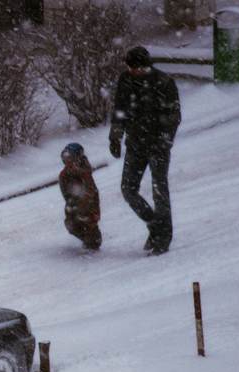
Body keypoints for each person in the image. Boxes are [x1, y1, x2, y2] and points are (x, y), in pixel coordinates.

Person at [109, 46, 181, 255]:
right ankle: (154, 225)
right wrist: (115, 136)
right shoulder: (126, 80)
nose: (134, 72)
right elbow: (119, 109)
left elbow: (174, 116)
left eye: (137, 68)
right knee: (128, 189)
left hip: (158, 145)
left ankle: (163, 237)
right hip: (135, 143)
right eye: (131, 68)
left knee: (160, 189)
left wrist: (165, 141)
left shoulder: (164, 83)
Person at [57, 143, 102, 251]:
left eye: (70, 158)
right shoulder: (64, 175)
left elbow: (91, 192)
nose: (67, 161)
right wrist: (71, 203)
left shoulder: (84, 173)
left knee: (86, 220)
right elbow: (65, 193)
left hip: (88, 205)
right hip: (75, 203)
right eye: (65, 158)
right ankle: (87, 237)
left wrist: (84, 206)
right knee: (71, 224)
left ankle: (93, 239)